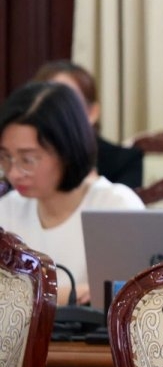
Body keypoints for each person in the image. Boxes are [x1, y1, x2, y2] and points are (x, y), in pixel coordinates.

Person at [0, 81, 144, 305]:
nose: (15, 173)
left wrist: (26, 297)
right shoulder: (7, 208)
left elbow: (132, 298)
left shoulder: (116, 206)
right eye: (6, 157)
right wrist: (74, 295)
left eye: (28, 159)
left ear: (67, 150)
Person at [33, 60, 143, 189]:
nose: (59, 112)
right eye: (50, 103)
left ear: (92, 112)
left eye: (69, 103)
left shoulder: (124, 160)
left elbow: (125, 205)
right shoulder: (23, 155)